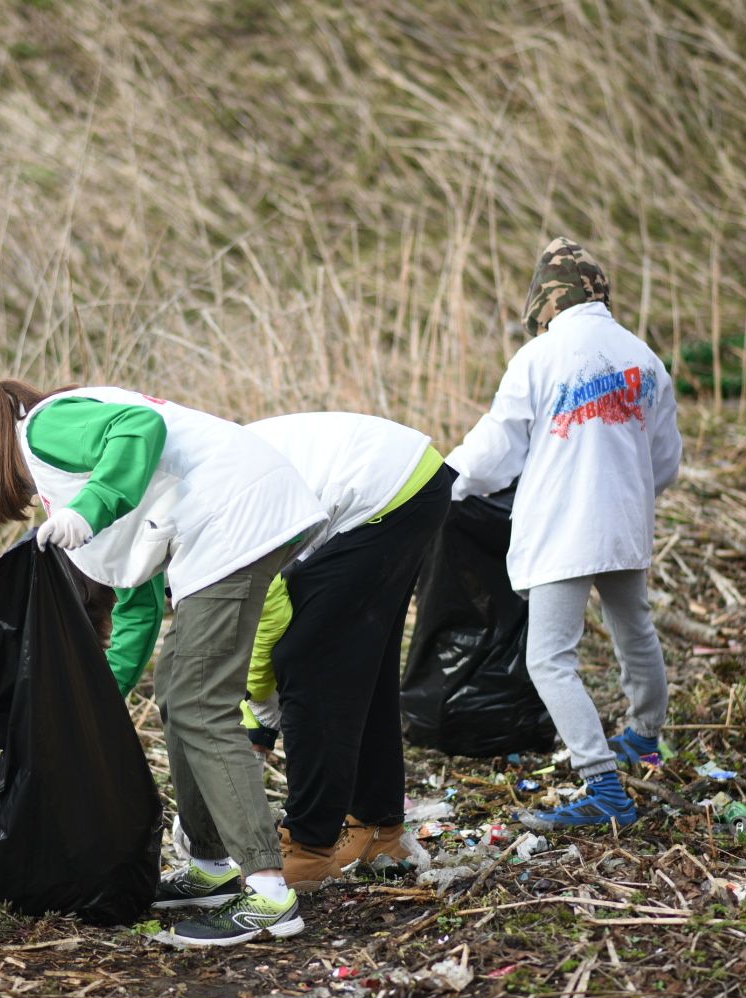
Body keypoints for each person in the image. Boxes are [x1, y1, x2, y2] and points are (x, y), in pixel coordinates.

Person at [0, 380, 327, 947]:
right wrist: (93, 703)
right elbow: (138, 602)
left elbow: (141, 428)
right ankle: (212, 866)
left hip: (236, 517)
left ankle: (268, 895)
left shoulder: (42, 429)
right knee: (176, 688)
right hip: (223, 528)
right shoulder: (60, 482)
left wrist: (90, 512)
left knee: (200, 701)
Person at [445, 237, 682, 829]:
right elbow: (667, 461)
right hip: (625, 521)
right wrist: (626, 490)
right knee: (635, 628)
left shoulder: (541, 357)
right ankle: (645, 737)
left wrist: (443, 483)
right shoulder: (643, 358)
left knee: (549, 659)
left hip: (564, 529)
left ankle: (604, 788)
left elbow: (497, 447)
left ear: (546, 301)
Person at [236, 412, 451, 889]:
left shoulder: (207, 510)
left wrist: (259, 706)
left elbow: (269, 602)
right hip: (412, 478)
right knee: (360, 662)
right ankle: (379, 829)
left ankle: (308, 847)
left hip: (383, 488)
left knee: (309, 660)